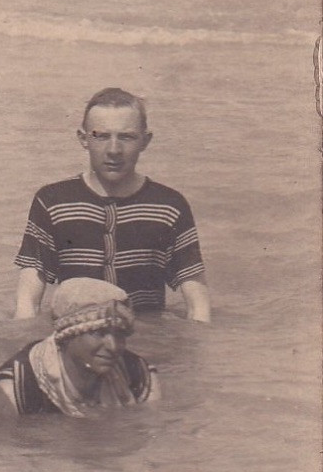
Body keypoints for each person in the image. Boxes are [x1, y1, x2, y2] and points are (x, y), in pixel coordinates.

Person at [13, 87, 210, 321]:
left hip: (145, 340)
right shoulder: (52, 202)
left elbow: (199, 308)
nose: (114, 150)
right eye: (101, 136)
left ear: (145, 141)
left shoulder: (169, 207)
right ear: (83, 138)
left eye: (126, 137)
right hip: (76, 339)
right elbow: (27, 305)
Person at [0, 278, 156, 418]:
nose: (113, 346)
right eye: (98, 333)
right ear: (66, 336)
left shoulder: (138, 375)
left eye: (119, 334)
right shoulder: (15, 389)